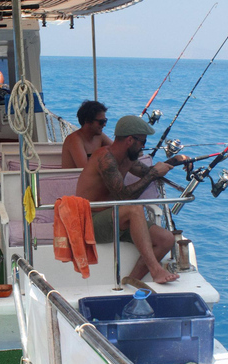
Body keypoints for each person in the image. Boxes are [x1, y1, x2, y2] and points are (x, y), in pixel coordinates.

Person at [74, 115, 180, 284]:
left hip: (114, 218)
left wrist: (177, 160)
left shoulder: (128, 159)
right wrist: (153, 174)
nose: (144, 146)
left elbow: (148, 172)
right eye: (142, 142)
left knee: (166, 239)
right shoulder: (105, 158)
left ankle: (131, 281)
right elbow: (123, 196)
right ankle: (156, 270)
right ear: (130, 140)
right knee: (133, 208)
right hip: (89, 221)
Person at [61, 100, 112, 169]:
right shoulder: (74, 140)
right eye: (101, 122)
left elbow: (117, 150)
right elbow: (85, 169)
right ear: (88, 121)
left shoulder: (99, 136)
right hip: (74, 177)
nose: (104, 124)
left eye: (105, 120)